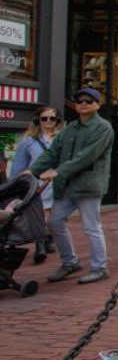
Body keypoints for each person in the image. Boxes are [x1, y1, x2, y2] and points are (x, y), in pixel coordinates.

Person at [32, 88, 114, 284]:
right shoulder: (70, 128)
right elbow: (52, 153)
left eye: (88, 100)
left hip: (88, 185)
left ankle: (100, 267)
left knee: (91, 227)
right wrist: (32, 171)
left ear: (97, 104)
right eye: (79, 101)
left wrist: (58, 171)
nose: (83, 103)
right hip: (67, 186)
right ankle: (70, 261)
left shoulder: (103, 128)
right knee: (54, 222)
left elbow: (86, 156)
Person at [12, 106, 60, 263]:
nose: (48, 121)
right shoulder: (28, 141)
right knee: (41, 214)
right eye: (44, 118)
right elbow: (19, 165)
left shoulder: (63, 139)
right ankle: (41, 245)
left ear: (57, 121)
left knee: (54, 216)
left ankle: (48, 238)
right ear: (37, 120)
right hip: (40, 184)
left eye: (51, 118)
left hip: (58, 182)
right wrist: (17, 184)